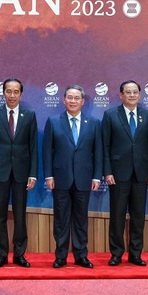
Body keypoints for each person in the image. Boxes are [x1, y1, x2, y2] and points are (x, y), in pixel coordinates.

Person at [43, 85, 103, 268]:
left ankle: (81, 255)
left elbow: (98, 152)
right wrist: (48, 175)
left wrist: (96, 177)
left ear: (83, 101)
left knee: (81, 219)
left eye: (77, 98)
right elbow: (47, 151)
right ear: (64, 100)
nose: (73, 101)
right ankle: (60, 256)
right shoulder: (53, 121)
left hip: (84, 178)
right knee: (61, 220)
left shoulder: (93, 122)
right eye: (70, 97)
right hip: (60, 178)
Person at [102, 80, 148, 266]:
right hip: (118, 174)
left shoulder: (147, 116)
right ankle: (116, 254)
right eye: (128, 92)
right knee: (117, 215)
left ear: (140, 95)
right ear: (121, 95)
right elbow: (105, 146)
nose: (132, 95)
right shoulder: (110, 115)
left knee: (138, 216)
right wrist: (107, 171)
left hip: (141, 174)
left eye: (135, 92)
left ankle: (135, 254)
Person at [0, 78, 38, 268]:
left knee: (20, 214)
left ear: (21, 94)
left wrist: (33, 174)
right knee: (0, 214)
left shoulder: (29, 115)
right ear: (3, 93)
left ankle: (19, 254)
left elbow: (33, 146)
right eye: (9, 91)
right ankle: (1, 254)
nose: (12, 95)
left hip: (22, 173)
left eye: (16, 92)